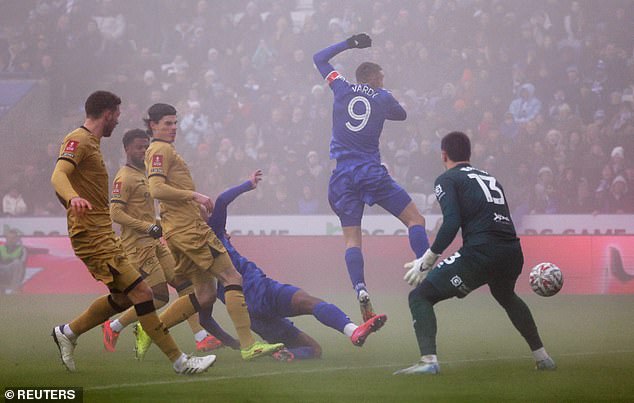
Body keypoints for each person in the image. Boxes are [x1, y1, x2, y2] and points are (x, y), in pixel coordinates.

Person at [136, 170, 388, 361]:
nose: (204, 210)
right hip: (260, 290)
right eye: (198, 208)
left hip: (251, 317)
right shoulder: (208, 230)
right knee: (311, 303)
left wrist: (233, 342)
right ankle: (353, 331)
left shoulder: (189, 252)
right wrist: (248, 184)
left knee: (313, 350)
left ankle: (286, 355)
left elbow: (204, 317)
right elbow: (222, 200)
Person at [49, 91, 215, 375]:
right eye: (117, 115)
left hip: (104, 235)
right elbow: (58, 175)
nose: (118, 121)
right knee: (143, 293)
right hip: (92, 236)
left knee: (125, 298)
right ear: (108, 113)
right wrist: (73, 198)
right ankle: (180, 361)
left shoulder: (93, 143)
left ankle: (69, 331)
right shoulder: (78, 139)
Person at [396, 131, 556, 375]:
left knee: (420, 296)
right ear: (468, 154)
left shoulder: (447, 179)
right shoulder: (490, 177)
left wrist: (428, 259)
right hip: (512, 250)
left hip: (482, 252)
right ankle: (543, 357)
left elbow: (451, 222)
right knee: (506, 295)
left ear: (444, 154)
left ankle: (428, 362)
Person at [143, 103, 283, 360]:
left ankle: (151, 329)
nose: (173, 128)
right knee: (232, 277)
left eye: (175, 123)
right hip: (189, 231)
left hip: (180, 229)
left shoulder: (162, 149)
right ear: (153, 125)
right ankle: (248, 345)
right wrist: (194, 196)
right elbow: (156, 189)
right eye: (167, 123)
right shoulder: (160, 150)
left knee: (205, 295)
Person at [313, 33, 430, 321]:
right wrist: (381, 104)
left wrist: (349, 44)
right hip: (369, 170)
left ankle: (361, 288)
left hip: (342, 175)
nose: (383, 80)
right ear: (373, 76)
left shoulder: (340, 87)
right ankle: (427, 267)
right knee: (415, 220)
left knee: (352, 239)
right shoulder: (382, 96)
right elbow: (401, 115)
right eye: (381, 76)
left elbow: (318, 58)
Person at [103, 129, 221, 353]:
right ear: (126, 148)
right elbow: (115, 213)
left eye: (146, 147)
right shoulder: (124, 177)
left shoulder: (145, 174)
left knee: (184, 285)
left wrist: (161, 223)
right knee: (158, 296)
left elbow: (145, 214)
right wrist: (147, 227)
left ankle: (201, 336)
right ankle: (114, 324)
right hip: (137, 246)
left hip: (154, 242)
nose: (143, 151)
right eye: (139, 147)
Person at [0, 228, 26, 294]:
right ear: (6, 238)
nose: (11, 240)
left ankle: (14, 290)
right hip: (2, 269)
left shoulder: (22, 249)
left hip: (12, 271)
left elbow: (22, 263)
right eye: (9, 237)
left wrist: (8, 259)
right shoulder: (1, 248)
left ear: (17, 239)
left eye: (13, 238)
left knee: (17, 263)